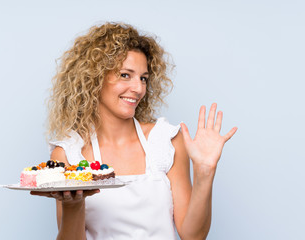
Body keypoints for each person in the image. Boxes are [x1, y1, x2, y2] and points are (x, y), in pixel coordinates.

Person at [31, 22, 237, 240]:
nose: (138, 89)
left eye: (143, 78)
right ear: (95, 78)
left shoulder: (165, 141)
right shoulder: (68, 153)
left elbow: (193, 235)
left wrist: (205, 173)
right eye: (125, 75)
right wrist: (73, 205)